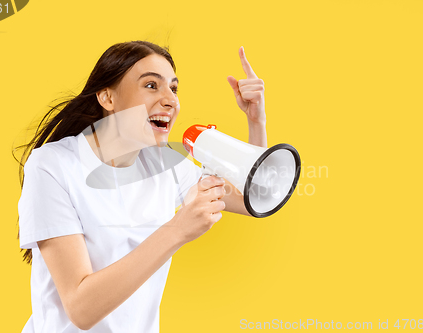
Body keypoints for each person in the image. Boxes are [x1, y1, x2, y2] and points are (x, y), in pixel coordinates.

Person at [15, 40, 267, 332]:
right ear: (107, 98)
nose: (170, 100)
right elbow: (81, 310)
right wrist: (177, 230)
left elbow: (257, 195)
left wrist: (255, 121)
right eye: (151, 86)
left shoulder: (166, 163)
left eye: (173, 88)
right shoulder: (53, 164)